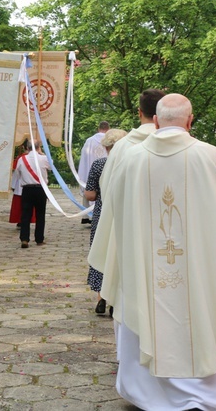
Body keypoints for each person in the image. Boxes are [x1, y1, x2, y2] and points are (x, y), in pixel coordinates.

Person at [92, 94, 216, 410]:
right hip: (199, 273)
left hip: (147, 274)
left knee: (143, 310)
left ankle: (149, 395)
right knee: (208, 313)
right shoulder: (209, 156)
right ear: (190, 122)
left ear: (157, 121)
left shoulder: (131, 159)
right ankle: (213, 395)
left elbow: (113, 215)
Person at [89, 89, 165, 307]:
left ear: (139, 112)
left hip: (129, 224)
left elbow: (107, 187)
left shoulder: (123, 146)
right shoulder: (188, 147)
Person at [84, 128, 126, 316]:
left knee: (101, 251)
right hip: (123, 215)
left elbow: (90, 194)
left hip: (101, 215)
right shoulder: (129, 164)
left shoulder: (99, 165)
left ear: (107, 147)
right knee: (118, 255)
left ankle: (101, 298)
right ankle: (116, 300)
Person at [12, 139, 50, 248]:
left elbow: (18, 173)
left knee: (25, 215)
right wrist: (42, 154)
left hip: (27, 189)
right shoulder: (43, 158)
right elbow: (51, 167)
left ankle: (24, 239)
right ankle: (39, 239)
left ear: (27, 148)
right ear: (38, 147)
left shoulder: (22, 159)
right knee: (40, 214)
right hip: (40, 189)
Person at [77, 120, 109, 223]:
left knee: (91, 191)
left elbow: (84, 160)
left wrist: (82, 176)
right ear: (108, 129)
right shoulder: (111, 141)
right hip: (106, 174)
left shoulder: (89, 141)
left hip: (92, 173)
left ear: (98, 128)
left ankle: (90, 217)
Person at [8, 141, 36, 226]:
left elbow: (16, 173)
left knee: (20, 205)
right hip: (33, 184)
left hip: (20, 184)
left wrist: (13, 185)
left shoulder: (20, 158)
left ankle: (20, 220)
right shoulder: (37, 158)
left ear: (25, 147)